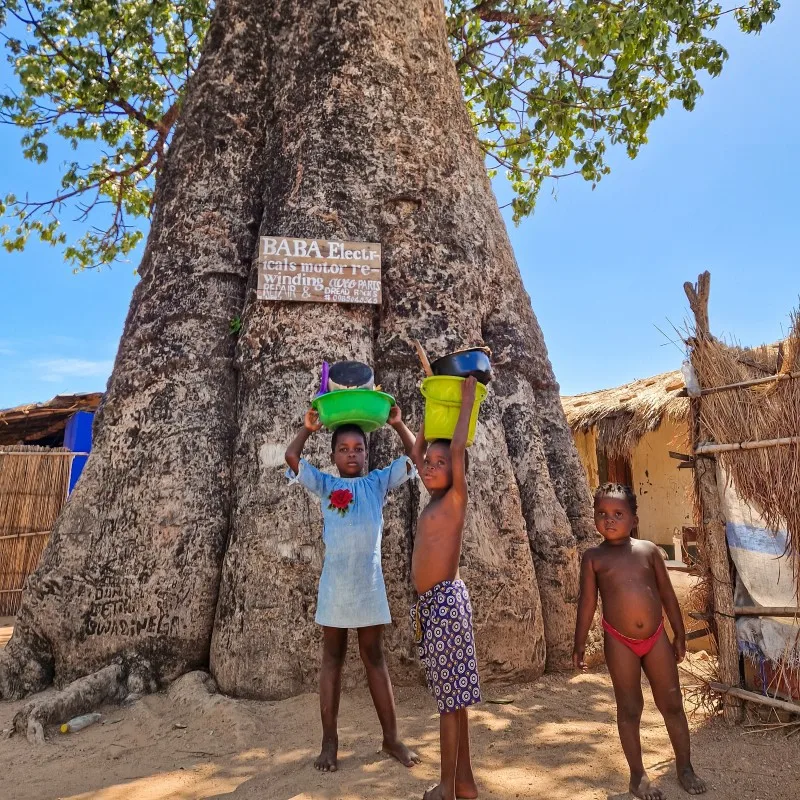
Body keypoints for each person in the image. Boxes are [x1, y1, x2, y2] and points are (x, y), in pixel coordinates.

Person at [285, 405, 420, 772]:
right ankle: (329, 743)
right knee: (332, 659)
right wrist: (307, 429)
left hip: (369, 586)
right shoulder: (326, 485)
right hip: (335, 587)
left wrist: (397, 423)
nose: (351, 454)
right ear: (332, 456)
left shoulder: (376, 482)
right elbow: (292, 457)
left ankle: (391, 738)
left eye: (357, 448)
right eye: (343, 449)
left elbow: (416, 456)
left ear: (367, 453)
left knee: (374, 657)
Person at [573, 483, 707, 800]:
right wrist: (579, 644)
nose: (609, 520)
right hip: (619, 641)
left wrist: (679, 632)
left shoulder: (648, 551)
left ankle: (685, 767)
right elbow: (587, 603)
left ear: (633, 518)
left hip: (657, 637)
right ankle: (637, 776)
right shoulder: (593, 558)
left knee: (672, 704)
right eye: (602, 514)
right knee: (630, 708)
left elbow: (666, 595)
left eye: (618, 513)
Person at [410, 376, 481, 800]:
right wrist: (424, 416)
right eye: (428, 464)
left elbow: (455, 448)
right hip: (434, 608)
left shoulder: (455, 500)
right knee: (453, 698)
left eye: (441, 462)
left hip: (445, 606)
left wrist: (466, 402)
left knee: (448, 704)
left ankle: (445, 786)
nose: (431, 466)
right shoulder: (433, 502)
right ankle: (465, 781)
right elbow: (417, 452)